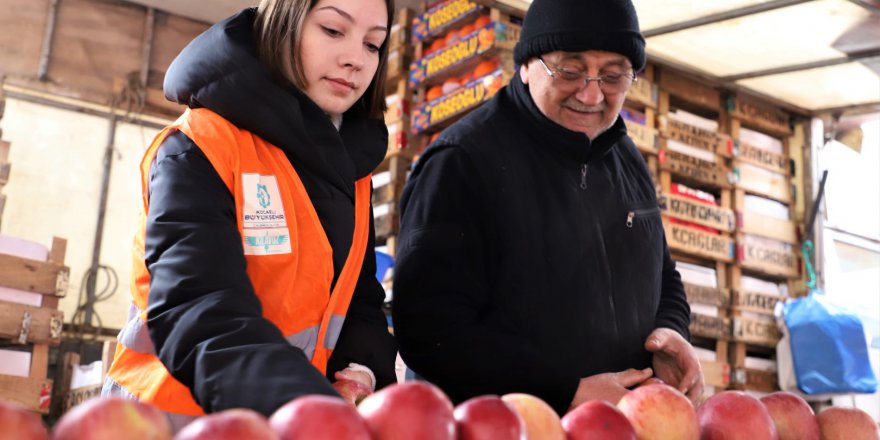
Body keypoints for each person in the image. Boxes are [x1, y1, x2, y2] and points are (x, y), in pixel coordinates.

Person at [392, 0, 703, 415]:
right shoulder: (462, 162)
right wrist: (563, 389)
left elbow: (662, 276)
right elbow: (429, 329)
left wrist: (670, 331)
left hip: (624, 423)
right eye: (570, 72)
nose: (591, 94)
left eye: (613, 76)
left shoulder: (626, 158)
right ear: (525, 65)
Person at [103, 0, 397, 430]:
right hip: (168, 420)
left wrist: (363, 369)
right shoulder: (201, 147)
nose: (355, 58)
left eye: (373, 44)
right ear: (283, 23)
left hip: (286, 423)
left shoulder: (352, 172)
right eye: (333, 30)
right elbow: (199, 310)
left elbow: (356, 299)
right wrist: (312, 406)